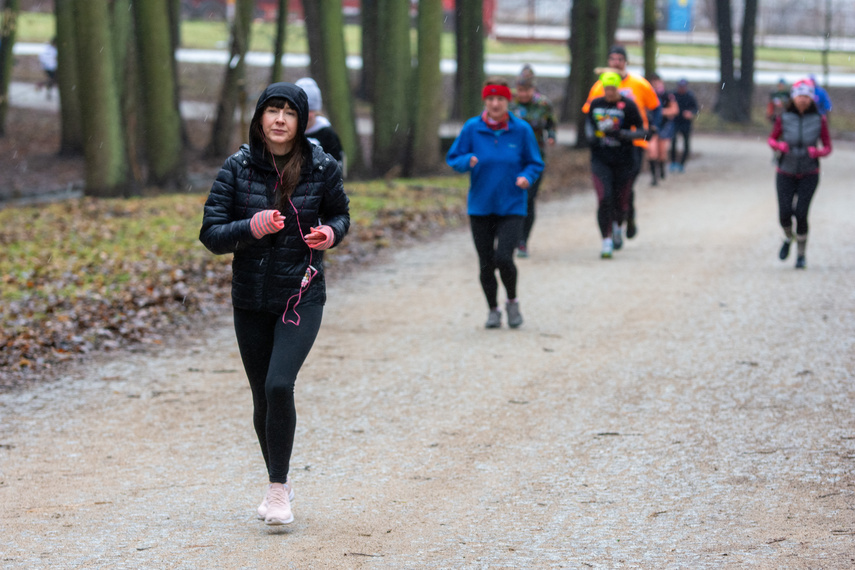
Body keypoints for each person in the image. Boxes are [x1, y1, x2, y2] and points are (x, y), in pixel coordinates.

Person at [199, 82, 350, 525]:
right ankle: (278, 482)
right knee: (261, 397)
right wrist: (251, 226)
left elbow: (341, 214)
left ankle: (278, 492)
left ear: (303, 120)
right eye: (272, 111)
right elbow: (210, 234)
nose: (280, 119)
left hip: (301, 294)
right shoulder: (237, 167)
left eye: (288, 112)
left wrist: (331, 234)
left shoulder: (322, 167)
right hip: (250, 298)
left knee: (279, 385)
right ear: (260, 118)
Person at [446, 78, 544, 329]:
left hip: (512, 205)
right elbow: (453, 157)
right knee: (486, 262)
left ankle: (512, 301)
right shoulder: (472, 128)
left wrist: (527, 177)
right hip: (480, 205)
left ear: (507, 101)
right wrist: (466, 160)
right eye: (490, 99)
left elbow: (535, 162)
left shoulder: (521, 130)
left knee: (504, 258)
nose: (495, 104)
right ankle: (493, 309)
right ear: (485, 101)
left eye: (500, 99)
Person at [583, 45, 660, 242]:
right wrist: (592, 135)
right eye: (612, 59)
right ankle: (619, 222)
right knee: (611, 192)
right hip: (605, 146)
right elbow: (588, 114)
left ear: (626, 61)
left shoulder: (640, 84)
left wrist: (653, 128)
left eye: (620, 59)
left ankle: (626, 215)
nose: (616, 62)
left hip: (634, 143)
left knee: (625, 187)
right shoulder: (599, 87)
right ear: (608, 62)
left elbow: (655, 108)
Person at [767, 78, 832, 269]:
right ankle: (788, 237)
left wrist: (817, 152)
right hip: (785, 170)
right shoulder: (784, 118)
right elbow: (771, 139)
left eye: (806, 96)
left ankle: (801, 255)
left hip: (809, 172)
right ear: (793, 98)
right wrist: (780, 145)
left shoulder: (819, 120)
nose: (803, 100)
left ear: (812, 98)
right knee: (785, 214)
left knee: (801, 214)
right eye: (800, 96)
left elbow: (828, 147)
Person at [584, 72, 646, 259]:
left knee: (621, 202)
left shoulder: (628, 106)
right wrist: (592, 137)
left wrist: (625, 135)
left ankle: (618, 226)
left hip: (624, 161)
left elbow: (643, 131)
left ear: (618, 88)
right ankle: (606, 240)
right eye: (606, 89)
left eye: (612, 89)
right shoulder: (596, 104)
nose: (609, 92)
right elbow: (588, 125)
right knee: (604, 199)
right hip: (600, 160)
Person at [509, 64, 556, 258]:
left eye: (527, 90)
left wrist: (551, 136)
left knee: (528, 199)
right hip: (512, 159)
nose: (523, 94)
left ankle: (522, 240)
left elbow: (551, 123)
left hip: (535, 159)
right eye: (520, 90)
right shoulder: (510, 105)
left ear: (533, 89)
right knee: (513, 198)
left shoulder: (543, 104)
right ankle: (509, 236)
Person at [294, 77, 346, 175]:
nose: (309, 115)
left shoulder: (327, 135)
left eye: (312, 110)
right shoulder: (289, 132)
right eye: (304, 110)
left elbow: (337, 167)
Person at [647, 73, 679, 186]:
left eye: (658, 82)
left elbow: (674, 110)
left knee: (662, 153)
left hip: (664, 126)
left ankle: (661, 170)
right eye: (654, 83)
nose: (656, 85)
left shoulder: (667, 95)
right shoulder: (648, 95)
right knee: (652, 151)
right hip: (652, 127)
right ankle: (654, 177)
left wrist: (660, 112)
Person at [670, 78, 699, 173]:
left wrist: (691, 113)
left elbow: (696, 109)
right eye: (680, 86)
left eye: (683, 86)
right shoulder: (673, 95)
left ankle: (681, 164)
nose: (682, 88)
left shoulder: (690, 96)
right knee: (673, 142)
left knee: (686, 144)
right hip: (675, 122)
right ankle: (673, 162)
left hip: (686, 123)